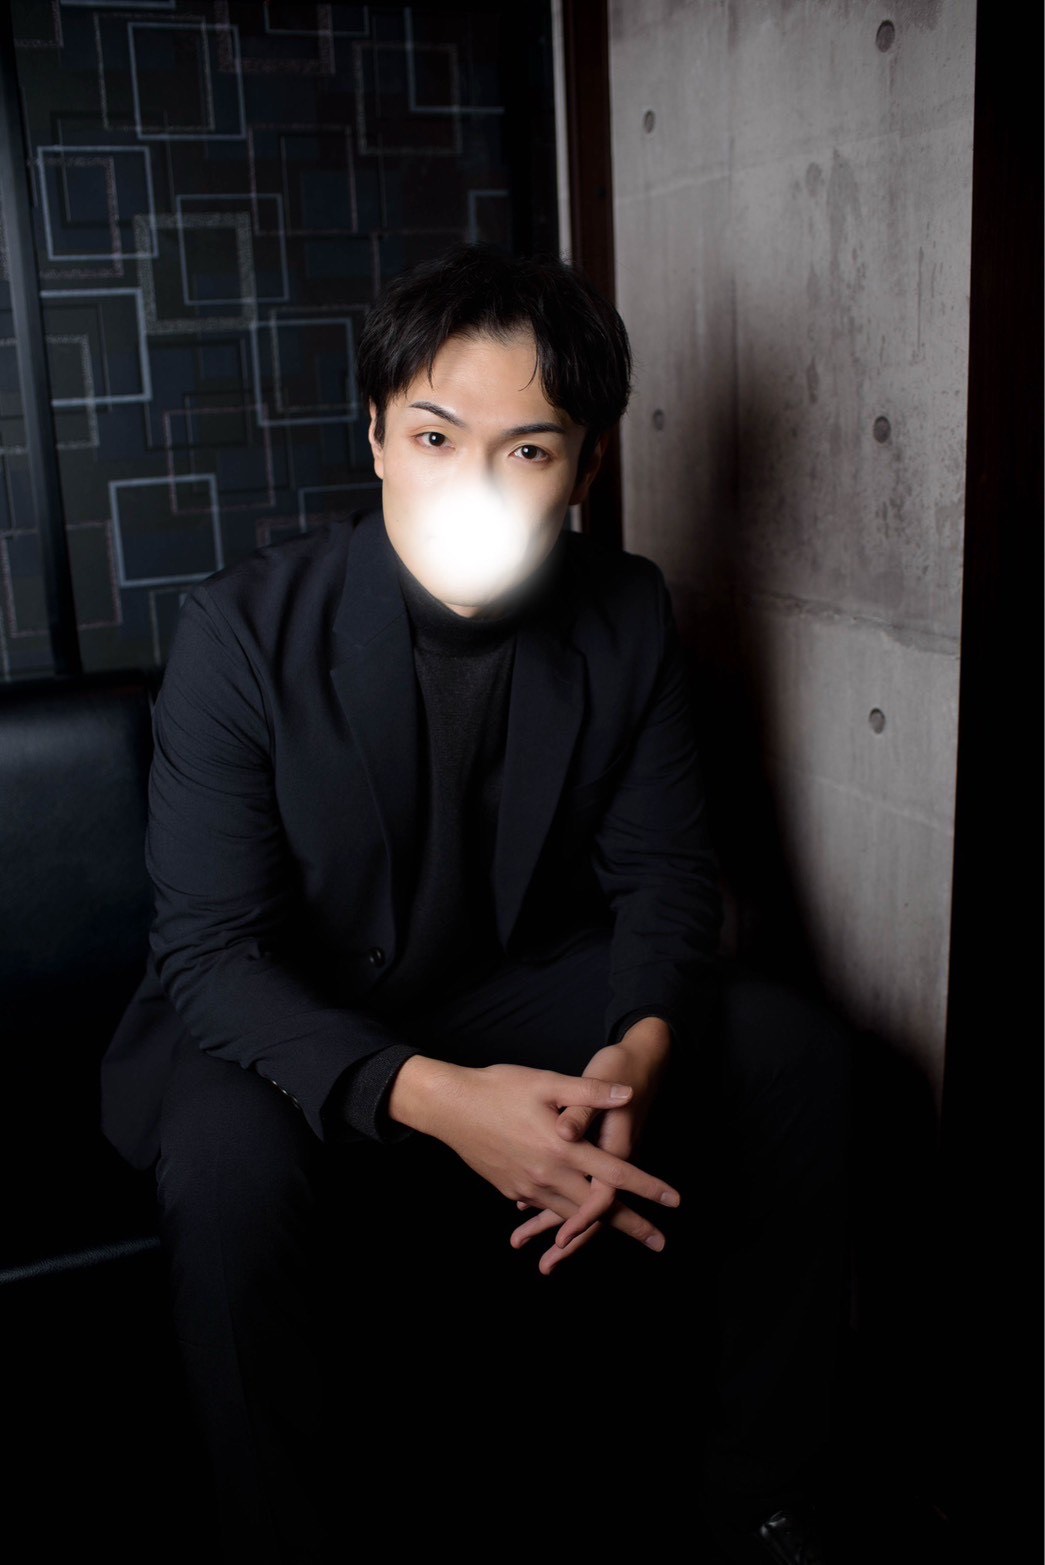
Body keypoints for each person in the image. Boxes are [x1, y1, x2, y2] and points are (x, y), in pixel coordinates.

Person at [101, 242, 853, 1564]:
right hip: (282, 1004)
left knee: (792, 1052)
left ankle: (758, 1495)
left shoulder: (623, 609)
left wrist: (639, 1052)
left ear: (586, 468)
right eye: (436, 436)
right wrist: (444, 1102)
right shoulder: (240, 630)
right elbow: (211, 953)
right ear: (378, 436)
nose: (474, 482)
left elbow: (666, 879)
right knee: (225, 1165)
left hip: (499, 980)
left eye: (529, 449)